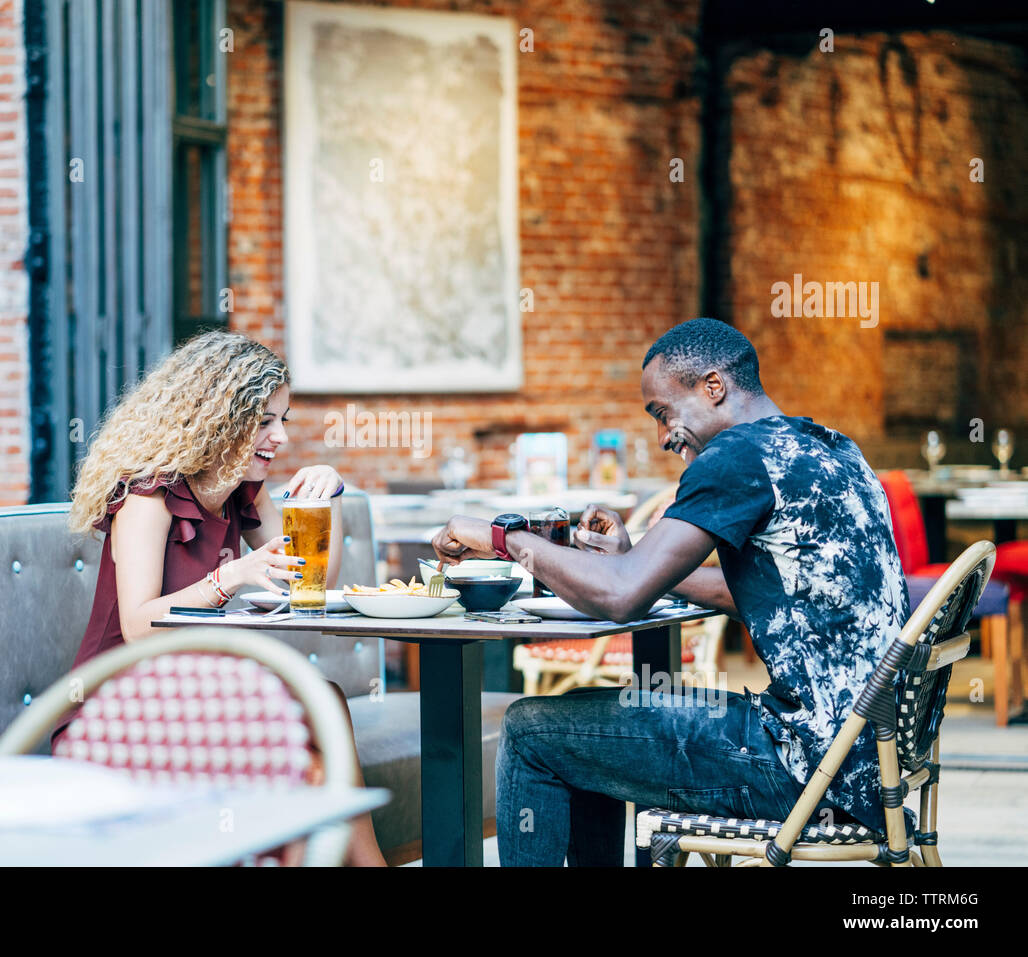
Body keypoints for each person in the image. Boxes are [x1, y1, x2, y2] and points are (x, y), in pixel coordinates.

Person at [431, 318, 908, 866]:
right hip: (875, 761)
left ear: (713, 387)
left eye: (662, 413)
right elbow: (757, 590)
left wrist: (499, 536)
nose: (663, 437)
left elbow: (619, 598)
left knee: (531, 731)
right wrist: (640, 564)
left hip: (807, 764)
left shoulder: (736, 457)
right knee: (582, 729)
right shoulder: (829, 449)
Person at [58, 331, 386, 866]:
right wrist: (231, 578)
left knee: (324, 696)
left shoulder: (240, 493)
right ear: (215, 416)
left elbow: (313, 584)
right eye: (263, 421)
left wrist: (330, 498)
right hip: (120, 705)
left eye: (284, 420)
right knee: (310, 773)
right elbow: (140, 625)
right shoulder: (148, 495)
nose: (279, 437)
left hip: (198, 694)